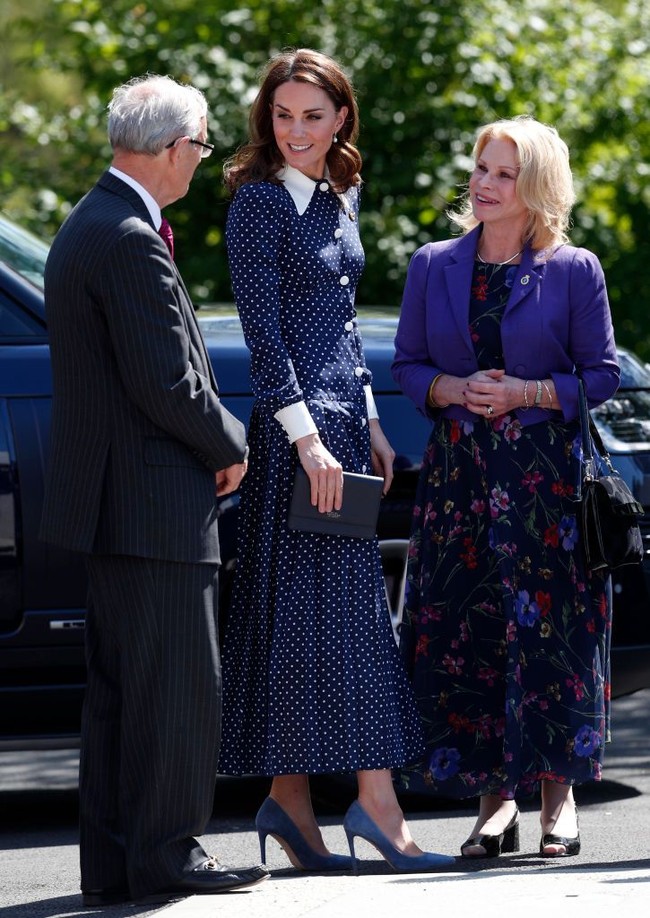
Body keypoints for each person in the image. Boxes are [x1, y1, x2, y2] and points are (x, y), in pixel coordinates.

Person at [217, 48, 453, 874]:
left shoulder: (339, 194)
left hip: (348, 432)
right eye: (283, 116)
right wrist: (307, 438)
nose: (296, 131)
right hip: (296, 442)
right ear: (266, 119)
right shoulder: (256, 207)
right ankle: (376, 806)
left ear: (342, 117)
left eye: (313, 116)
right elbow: (264, 337)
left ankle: (290, 805)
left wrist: (376, 426)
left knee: (319, 622)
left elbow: (343, 325)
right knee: (333, 619)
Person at [39, 74, 269, 905]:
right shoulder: (129, 234)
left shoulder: (89, 219)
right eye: (202, 148)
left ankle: (115, 866)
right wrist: (232, 442)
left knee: (120, 700)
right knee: (175, 693)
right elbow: (167, 381)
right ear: (175, 148)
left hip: (114, 507)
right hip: (152, 502)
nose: (202, 163)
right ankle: (168, 856)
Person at [392, 115, 620, 860]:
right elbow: (407, 367)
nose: (483, 185)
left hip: (545, 487)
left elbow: (603, 375)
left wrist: (528, 394)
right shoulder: (434, 263)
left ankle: (559, 800)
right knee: (472, 636)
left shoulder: (574, 267)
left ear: (536, 187)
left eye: (502, 174)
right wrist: (451, 388)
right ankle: (495, 805)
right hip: (460, 480)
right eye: (481, 169)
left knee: (553, 638)